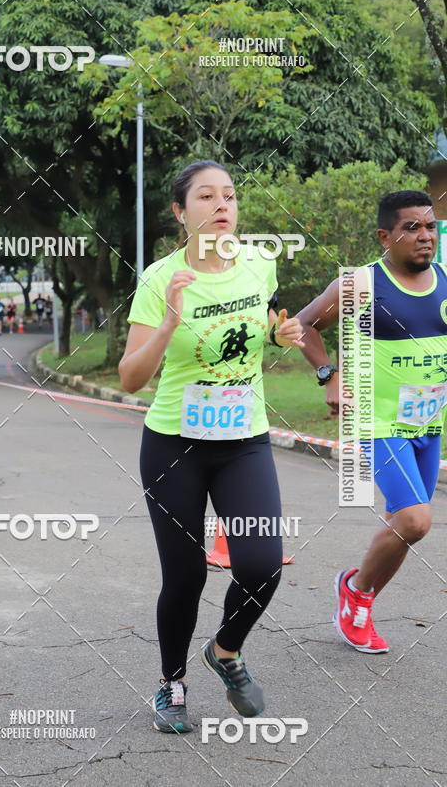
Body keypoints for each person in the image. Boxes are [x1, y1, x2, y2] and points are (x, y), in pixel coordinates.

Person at [119, 160, 303, 733]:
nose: (223, 205)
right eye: (206, 196)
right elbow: (129, 377)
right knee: (186, 575)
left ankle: (225, 651)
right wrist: (171, 322)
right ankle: (170, 682)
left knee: (262, 564)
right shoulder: (159, 279)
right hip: (174, 442)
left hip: (243, 440)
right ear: (181, 212)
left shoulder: (258, 265)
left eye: (229, 195)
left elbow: (264, 329)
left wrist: (278, 334)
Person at [296, 190, 443, 654]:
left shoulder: (445, 279)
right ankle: (357, 593)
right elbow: (303, 326)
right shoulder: (361, 284)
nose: (425, 237)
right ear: (385, 237)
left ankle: (357, 598)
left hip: (427, 426)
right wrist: (329, 375)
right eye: (412, 228)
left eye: (431, 227)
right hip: (376, 423)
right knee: (416, 520)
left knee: (404, 525)